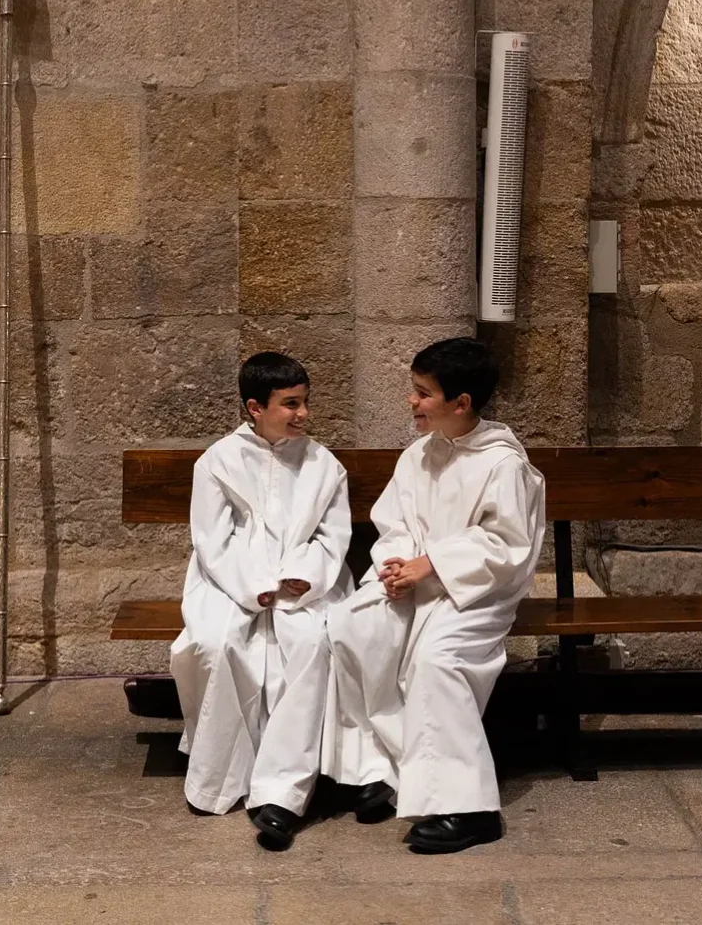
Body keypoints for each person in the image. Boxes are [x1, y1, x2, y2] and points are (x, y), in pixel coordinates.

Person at [324, 337, 547, 854]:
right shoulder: (419, 454)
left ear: (461, 403)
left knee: (437, 659)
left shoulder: (502, 464)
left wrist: (433, 565)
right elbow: (394, 521)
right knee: (351, 626)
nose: (412, 402)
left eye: (423, 394)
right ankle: (377, 771)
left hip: (478, 594)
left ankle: (469, 808)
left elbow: (507, 545)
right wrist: (397, 564)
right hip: (417, 582)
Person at [170, 351, 352, 851]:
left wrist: (300, 577)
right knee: (219, 641)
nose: (303, 414)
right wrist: (256, 588)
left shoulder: (322, 464)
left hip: (307, 580)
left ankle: (282, 789)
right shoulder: (218, 461)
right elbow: (213, 539)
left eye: (305, 402)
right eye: (290, 404)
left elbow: (332, 537)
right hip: (231, 578)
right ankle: (224, 771)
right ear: (255, 406)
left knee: (312, 640)